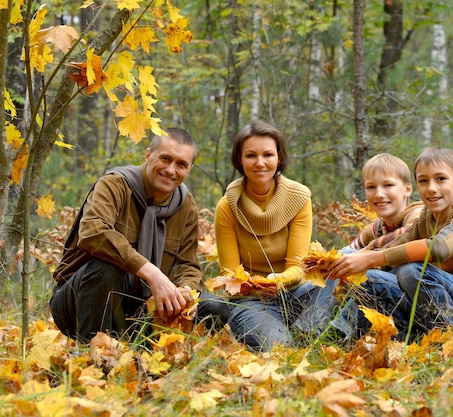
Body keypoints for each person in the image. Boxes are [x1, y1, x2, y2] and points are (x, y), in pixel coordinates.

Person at [50, 127, 227, 344]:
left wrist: (184, 292)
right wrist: (153, 274)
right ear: (148, 155)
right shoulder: (116, 184)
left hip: (142, 307)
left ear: (189, 169)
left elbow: (187, 264)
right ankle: (92, 355)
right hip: (78, 302)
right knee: (108, 265)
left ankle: (156, 351)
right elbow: (93, 231)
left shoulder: (185, 204)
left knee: (214, 306)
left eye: (181, 164)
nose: (171, 170)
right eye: (165, 159)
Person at [328, 147, 453, 341]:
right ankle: (354, 339)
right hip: (439, 303)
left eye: (441, 179)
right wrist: (351, 262)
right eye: (423, 181)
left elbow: (439, 248)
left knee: (411, 271)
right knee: (367, 279)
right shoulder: (425, 219)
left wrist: (372, 258)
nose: (431, 188)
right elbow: (394, 249)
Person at [214, 120, 315, 351]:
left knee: (330, 279)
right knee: (281, 349)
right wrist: (258, 286)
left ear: (279, 157)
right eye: (251, 155)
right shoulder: (228, 206)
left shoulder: (298, 198)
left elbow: (296, 267)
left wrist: (276, 281)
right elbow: (229, 275)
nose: (260, 163)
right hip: (251, 301)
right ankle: (280, 334)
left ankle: (307, 332)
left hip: (296, 292)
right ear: (240, 159)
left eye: (268, 154)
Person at [310, 153, 423, 340]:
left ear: (407, 189)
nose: (379, 193)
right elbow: (349, 252)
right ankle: (312, 329)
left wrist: (365, 255)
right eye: (371, 187)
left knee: (365, 277)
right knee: (337, 266)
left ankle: (337, 332)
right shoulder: (377, 228)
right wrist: (327, 262)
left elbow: (406, 236)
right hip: (388, 301)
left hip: (419, 303)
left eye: (388, 185)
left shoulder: (418, 215)